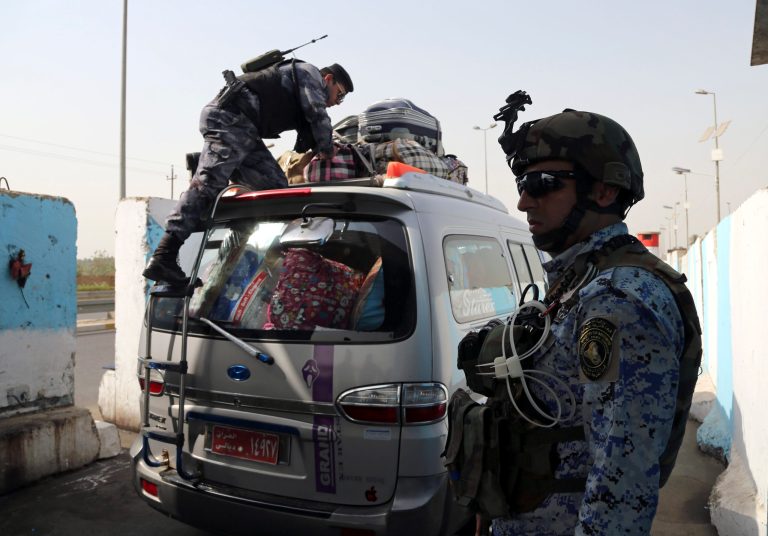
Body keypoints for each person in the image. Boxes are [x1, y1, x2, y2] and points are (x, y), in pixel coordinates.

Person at [467, 108, 702, 535]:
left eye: (543, 184)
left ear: (606, 191)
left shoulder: (619, 300)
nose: (524, 201)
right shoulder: (579, 279)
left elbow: (621, 484)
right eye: (523, 184)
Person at [143, 60, 354, 285]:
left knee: (276, 190)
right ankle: (164, 255)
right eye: (338, 95)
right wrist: (327, 148)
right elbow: (317, 113)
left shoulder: (304, 80)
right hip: (230, 119)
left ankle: (242, 252)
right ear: (328, 79)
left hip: (245, 129)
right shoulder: (309, 74)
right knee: (208, 185)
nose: (336, 103)